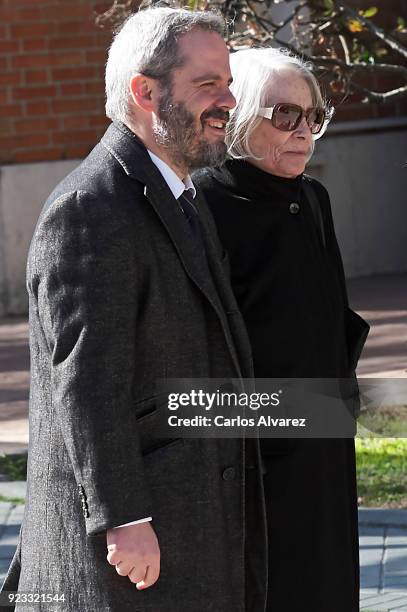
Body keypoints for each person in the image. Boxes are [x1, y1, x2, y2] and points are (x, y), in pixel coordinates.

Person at [0, 9, 267, 611]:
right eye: (207, 84)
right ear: (145, 93)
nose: (228, 99)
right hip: (133, 552)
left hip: (192, 523)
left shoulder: (183, 193)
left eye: (227, 82)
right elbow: (88, 385)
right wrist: (124, 518)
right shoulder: (90, 209)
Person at [194, 47, 369, 611]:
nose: (304, 131)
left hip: (323, 440)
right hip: (253, 453)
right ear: (239, 115)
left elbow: (331, 315)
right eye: (285, 115)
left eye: (313, 116)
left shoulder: (313, 198)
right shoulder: (206, 203)